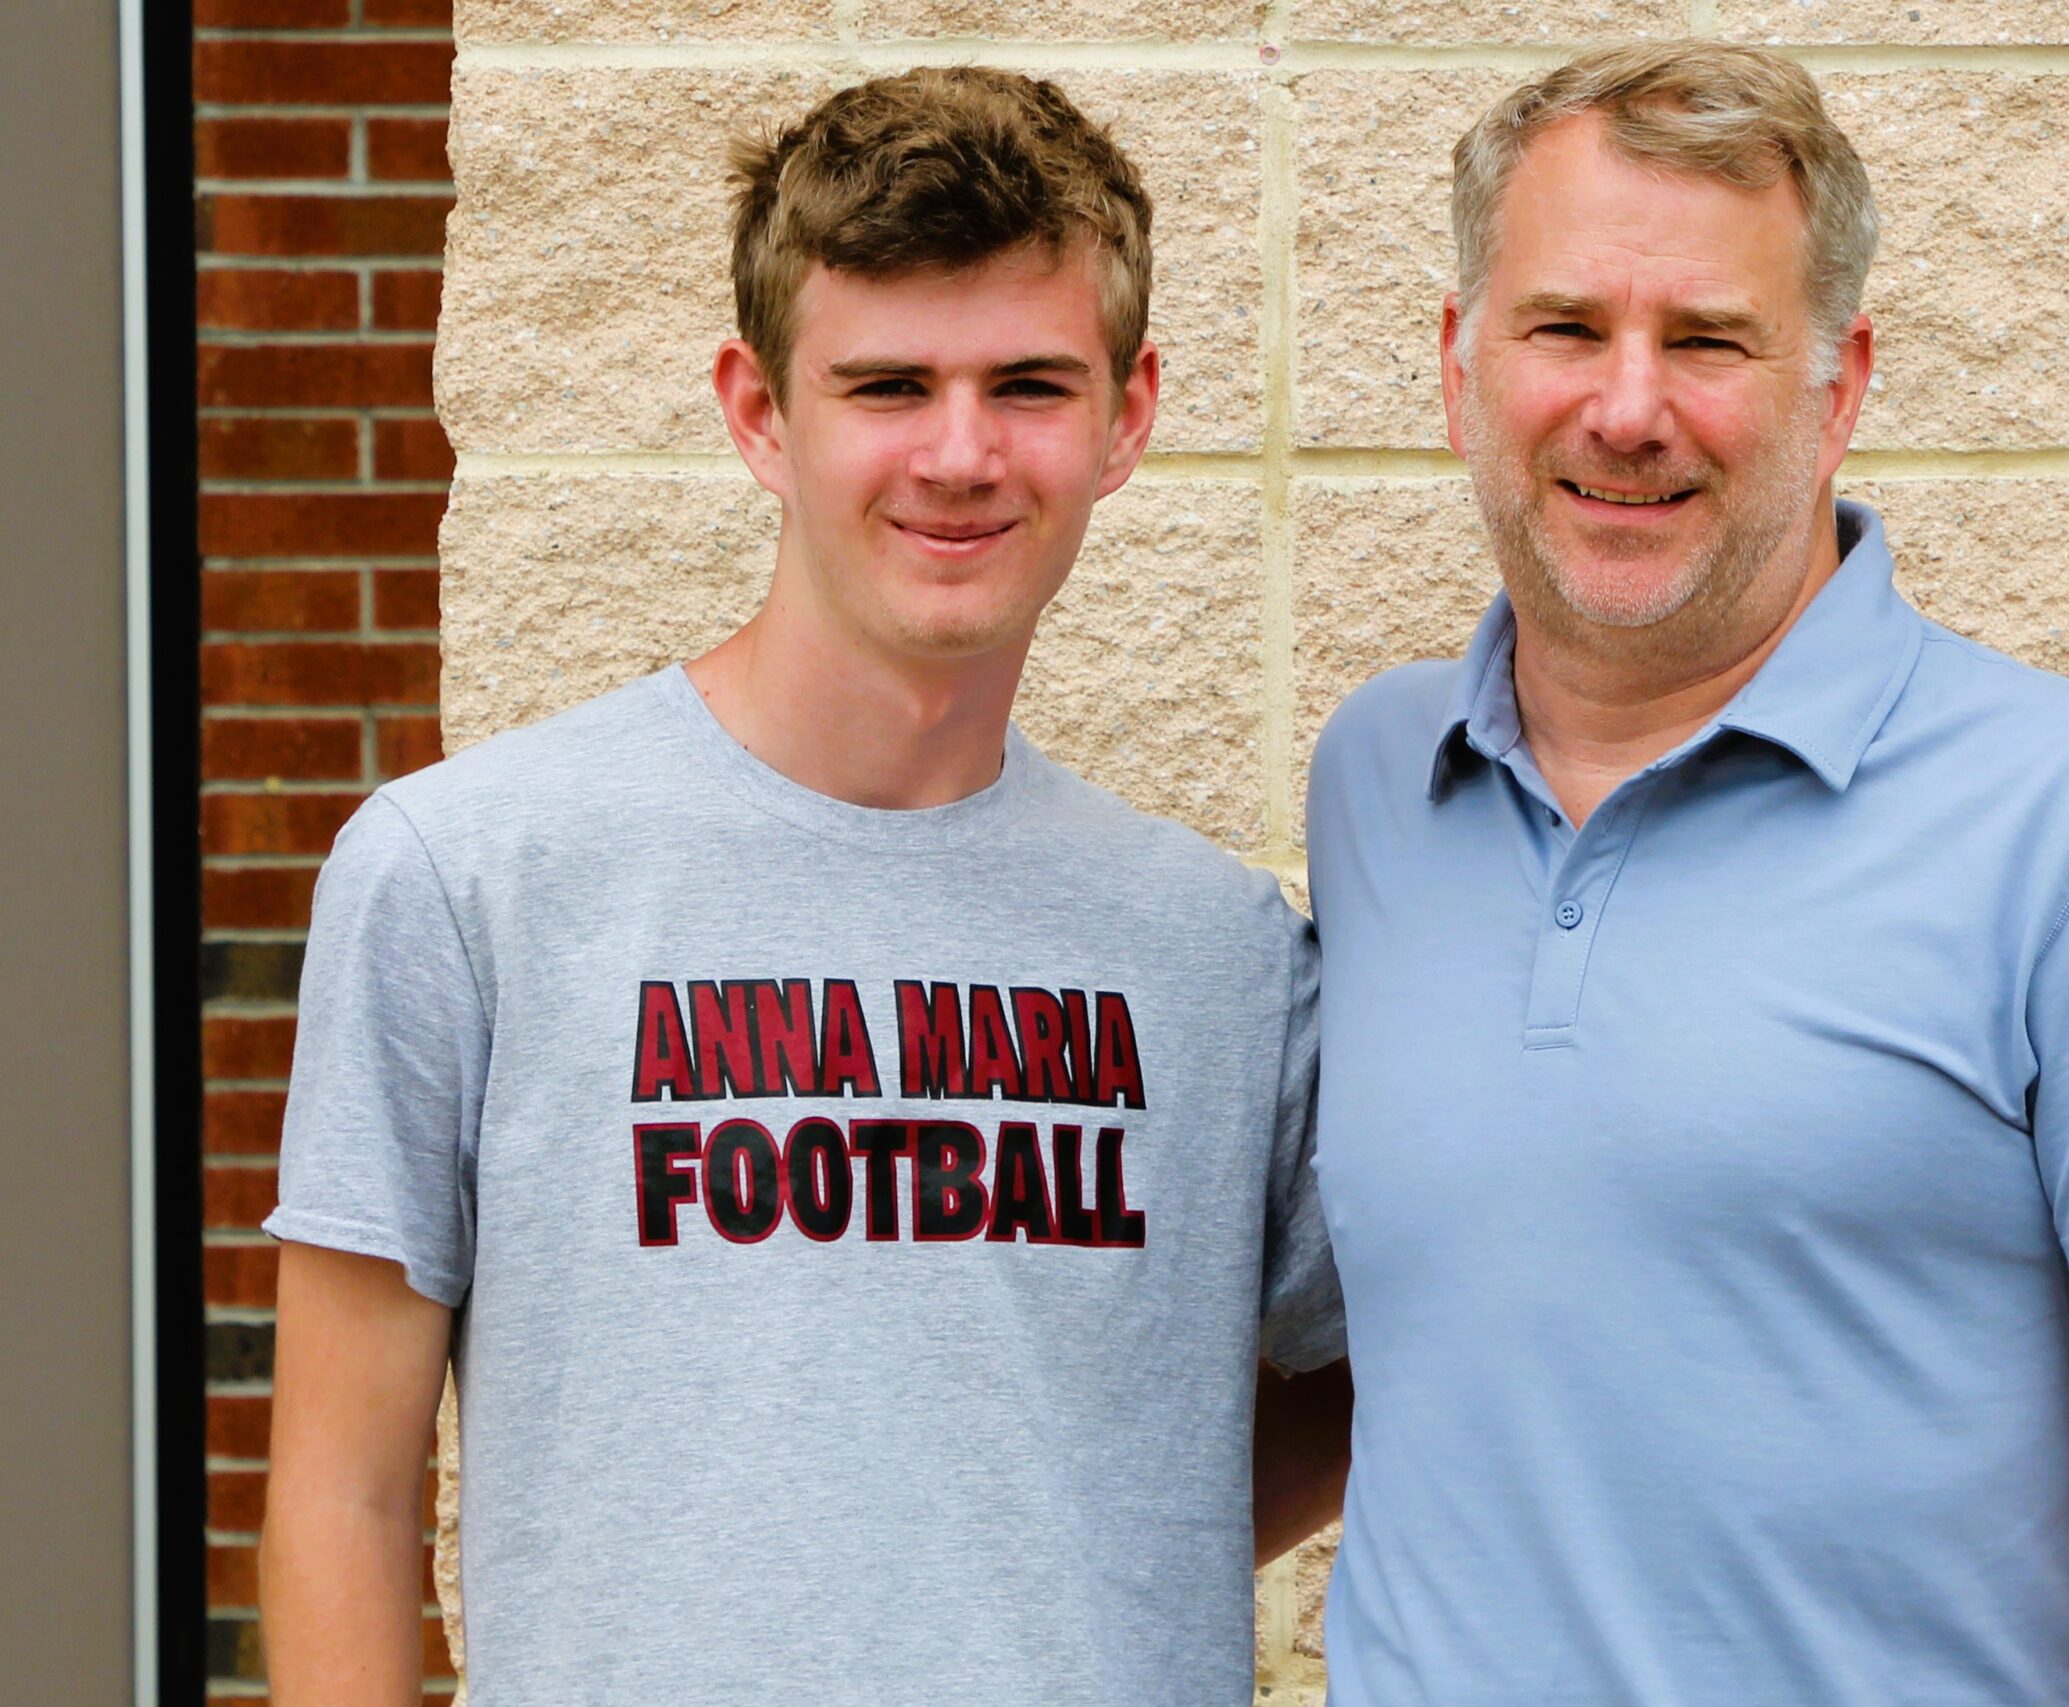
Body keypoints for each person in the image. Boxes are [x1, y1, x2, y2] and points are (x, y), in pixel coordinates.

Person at [258, 67, 1347, 1707]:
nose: (963, 453)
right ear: (761, 411)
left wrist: (1065, 1543)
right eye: (889, 384)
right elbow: (341, 1493)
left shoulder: (1222, 953)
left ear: (1129, 415)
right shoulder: (465, 871)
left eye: (1030, 384)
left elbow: (1398, 1366)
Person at [1303, 41, 2069, 1705]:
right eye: (1566, 327)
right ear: (1458, 363)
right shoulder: (1380, 784)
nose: (1629, 407)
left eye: (1710, 340)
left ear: (1839, 382)